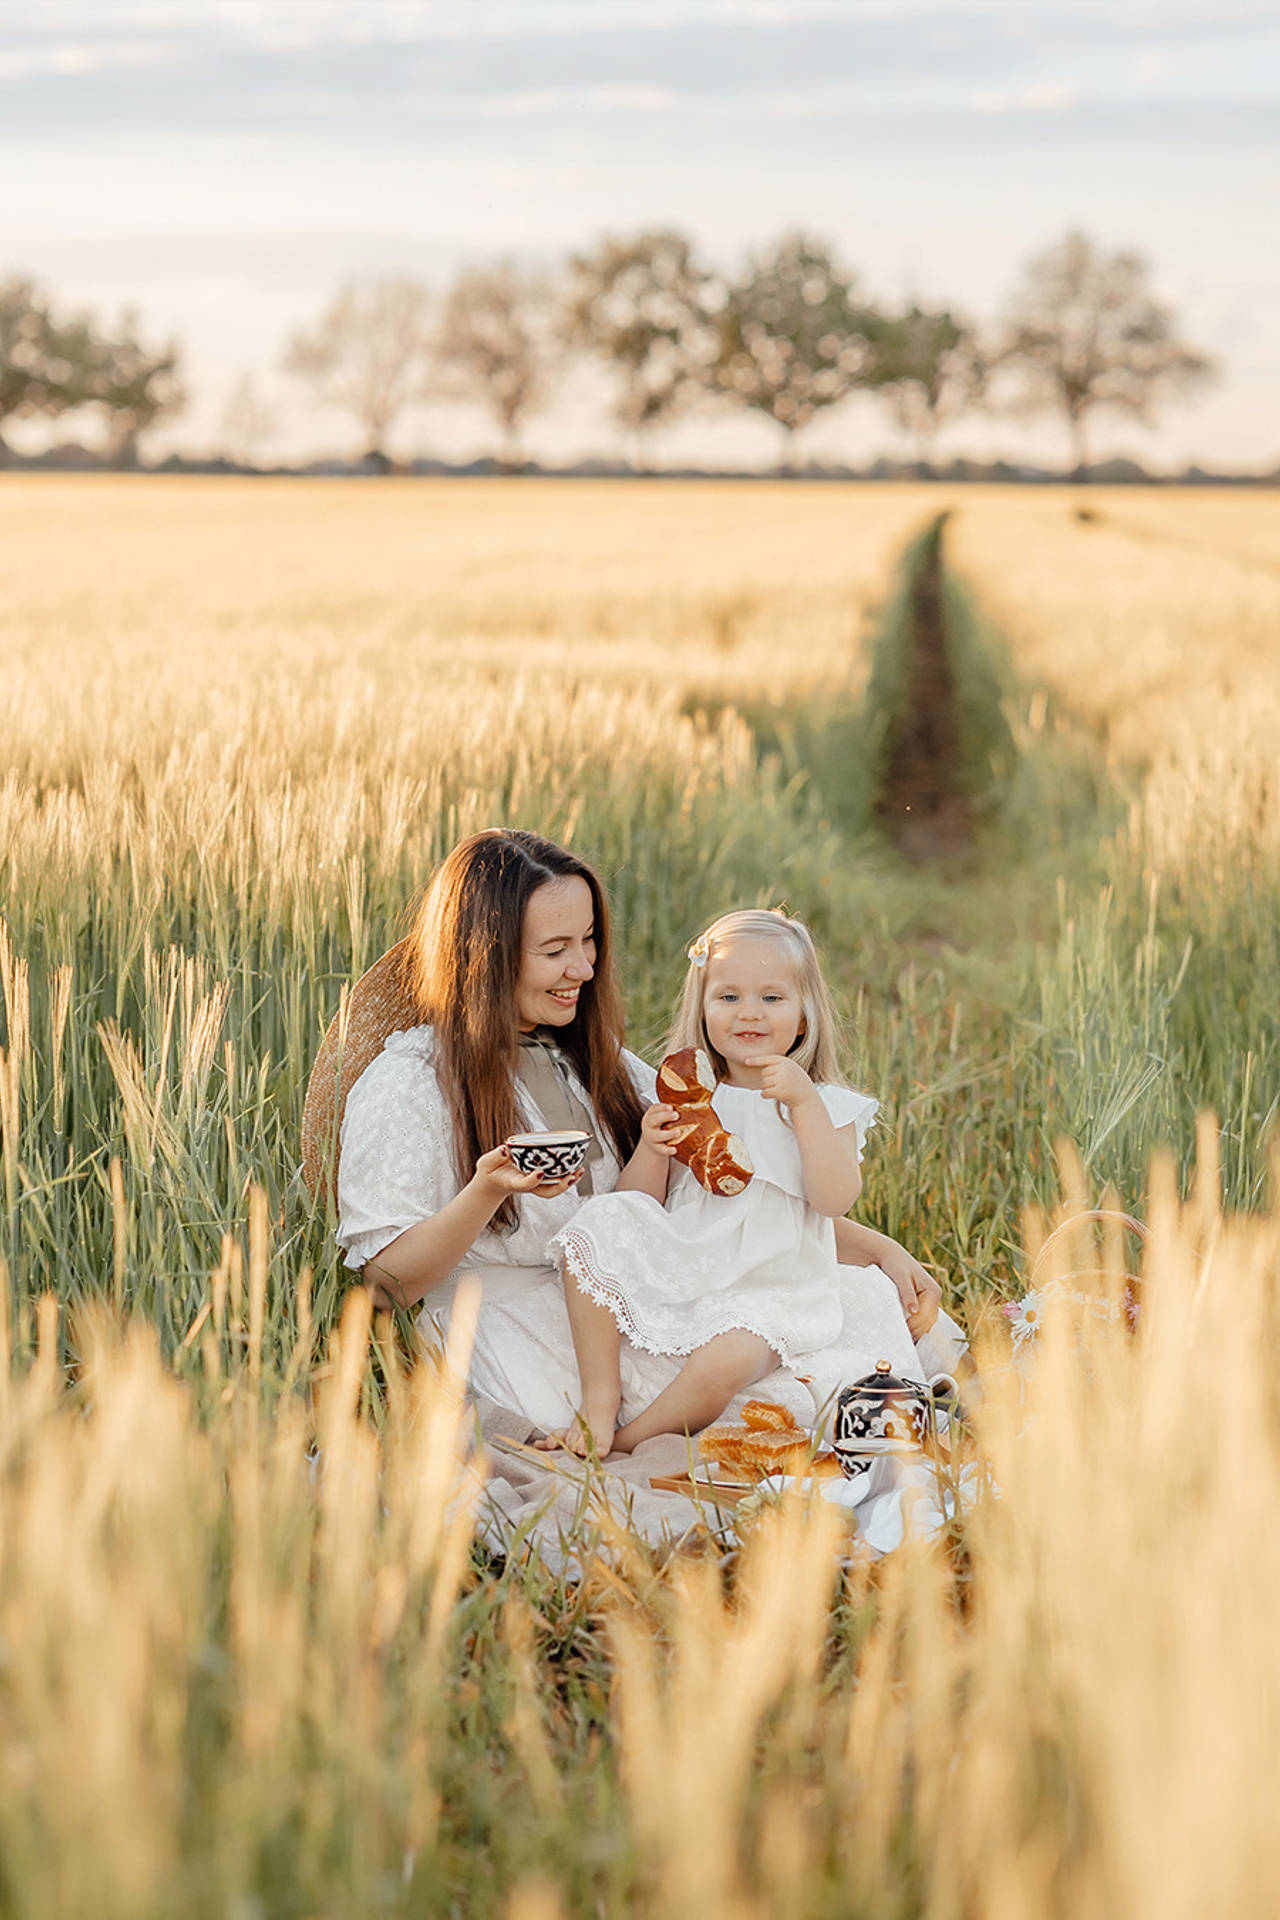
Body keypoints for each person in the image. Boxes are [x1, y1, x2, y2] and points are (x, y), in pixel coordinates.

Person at [327, 830, 948, 1444]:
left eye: (590, 940)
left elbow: (727, 1208)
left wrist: (883, 1252)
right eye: (555, 949)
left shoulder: (602, 1065)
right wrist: (486, 1191)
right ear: (486, 956)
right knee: (772, 1393)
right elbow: (388, 1285)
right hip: (519, 1325)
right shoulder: (413, 1082)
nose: (585, 967)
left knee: (849, 1315)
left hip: (640, 1286)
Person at [543, 910, 933, 1456]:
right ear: (702, 1011)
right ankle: (599, 1403)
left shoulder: (825, 1106)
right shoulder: (689, 1098)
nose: (748, 1013)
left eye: (771, 998)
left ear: (804, 1018)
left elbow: (833, 1199)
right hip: (692, 1268)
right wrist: (655, 1150)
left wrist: (803, 1105)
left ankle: (632, 1440)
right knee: (596, 1226)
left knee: (722, 1362)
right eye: (728, 997)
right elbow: (639, 1207)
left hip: (776, 1292)